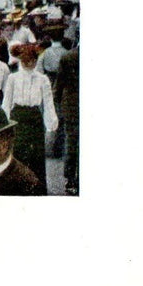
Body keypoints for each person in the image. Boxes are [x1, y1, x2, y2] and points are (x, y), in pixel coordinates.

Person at [2, 43, 58, 195]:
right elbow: (7, 102)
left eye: (32, 60)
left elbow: (48, 102)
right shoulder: (13, 78)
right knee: (18, 154)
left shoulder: (42, 79)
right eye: (25, 61)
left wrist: (51, 125)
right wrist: (4, 124)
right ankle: (16, 190)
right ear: (20, 60)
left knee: (35, 156)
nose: (29, 64)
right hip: (17, 117)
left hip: (34, 118)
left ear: (35, 60)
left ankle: (37, 190)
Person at [54, 39, 80, 196]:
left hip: (71, 104)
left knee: (71, 142)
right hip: (74, 104)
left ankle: (70, 178)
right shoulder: (69, 57)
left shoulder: (68, 57)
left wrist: (57, 102)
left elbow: (60, 83)